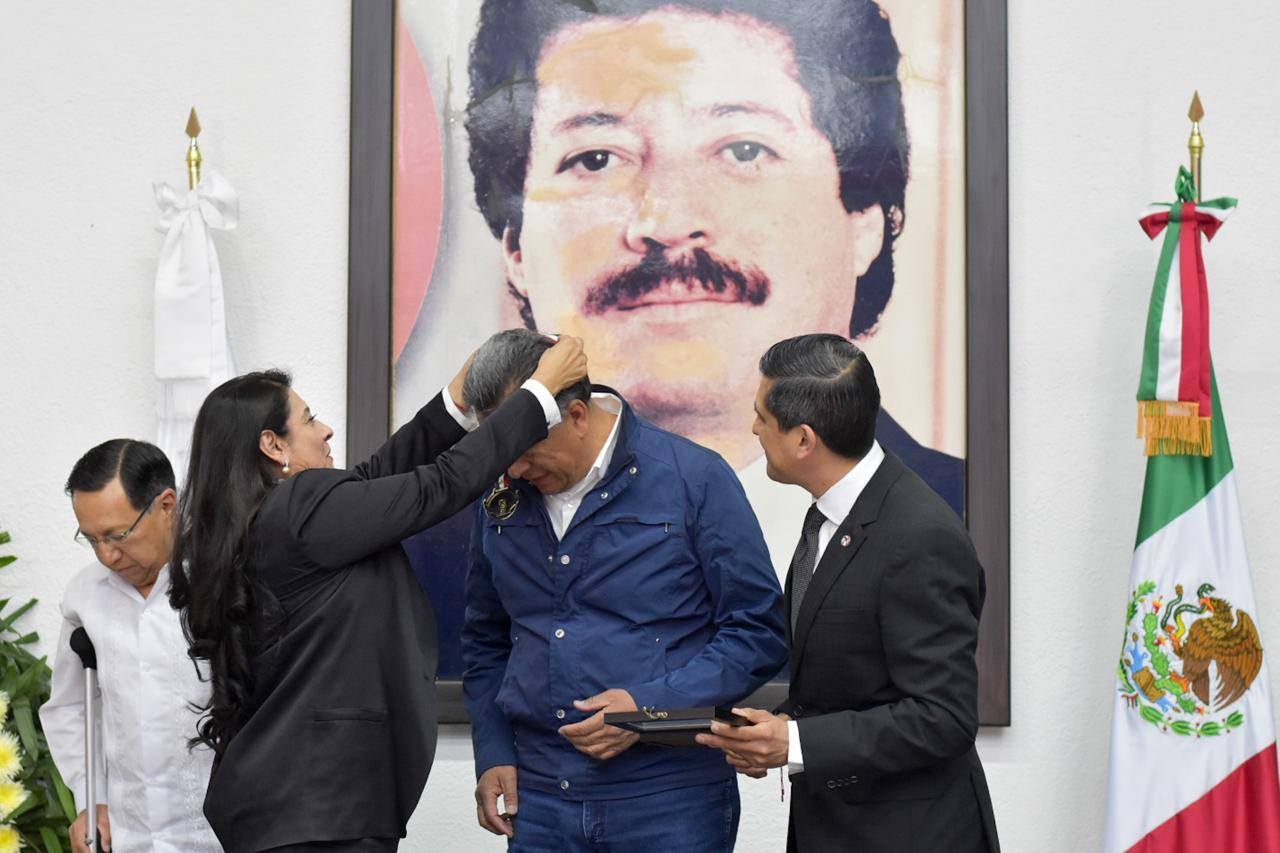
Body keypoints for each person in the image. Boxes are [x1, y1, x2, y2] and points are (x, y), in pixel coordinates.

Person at [464, 0, 963, 523]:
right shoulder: (430, 549)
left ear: (865, 221)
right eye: (596, 158)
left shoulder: (975, 523)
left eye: (745, 151)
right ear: (515, 248)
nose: (665, 221)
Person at [168, 337, 587, 853]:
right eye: (309, 419)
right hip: (320, 812)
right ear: (273, 445)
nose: (326, 429)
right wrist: (540, 394)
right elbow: (440, 485)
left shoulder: (261, 521)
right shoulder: (298, 508)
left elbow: (373, 479)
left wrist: (457, 400)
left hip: (290, 809)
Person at [461, 329, 787, 852]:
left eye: (522, 448)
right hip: (539, 800)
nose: (514, 469)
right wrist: (493, 751)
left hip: (668, 799)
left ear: (576, 415)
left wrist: (648, 711)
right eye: (500, 452)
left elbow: (758, 632)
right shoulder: (501, 497)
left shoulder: (694, 479)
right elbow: (486, 638)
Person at [696, 334, 998, 852]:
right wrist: (782, 725)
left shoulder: (919, 536)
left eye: (762, 417)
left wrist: (795, 742)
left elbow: (944, 717)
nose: (754, 429)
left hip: (908, 837)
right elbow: (853, 682)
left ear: (803, 440)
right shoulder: (834, 516)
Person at [41, 439, 221, 853]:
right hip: (131, 836)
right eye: (91, 539)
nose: (107, 555)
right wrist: (90, 798)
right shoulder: (85, 595)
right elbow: (70, 707)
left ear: (166, 505)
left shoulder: (220, 580)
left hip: (221, 836)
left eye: (117, 535)